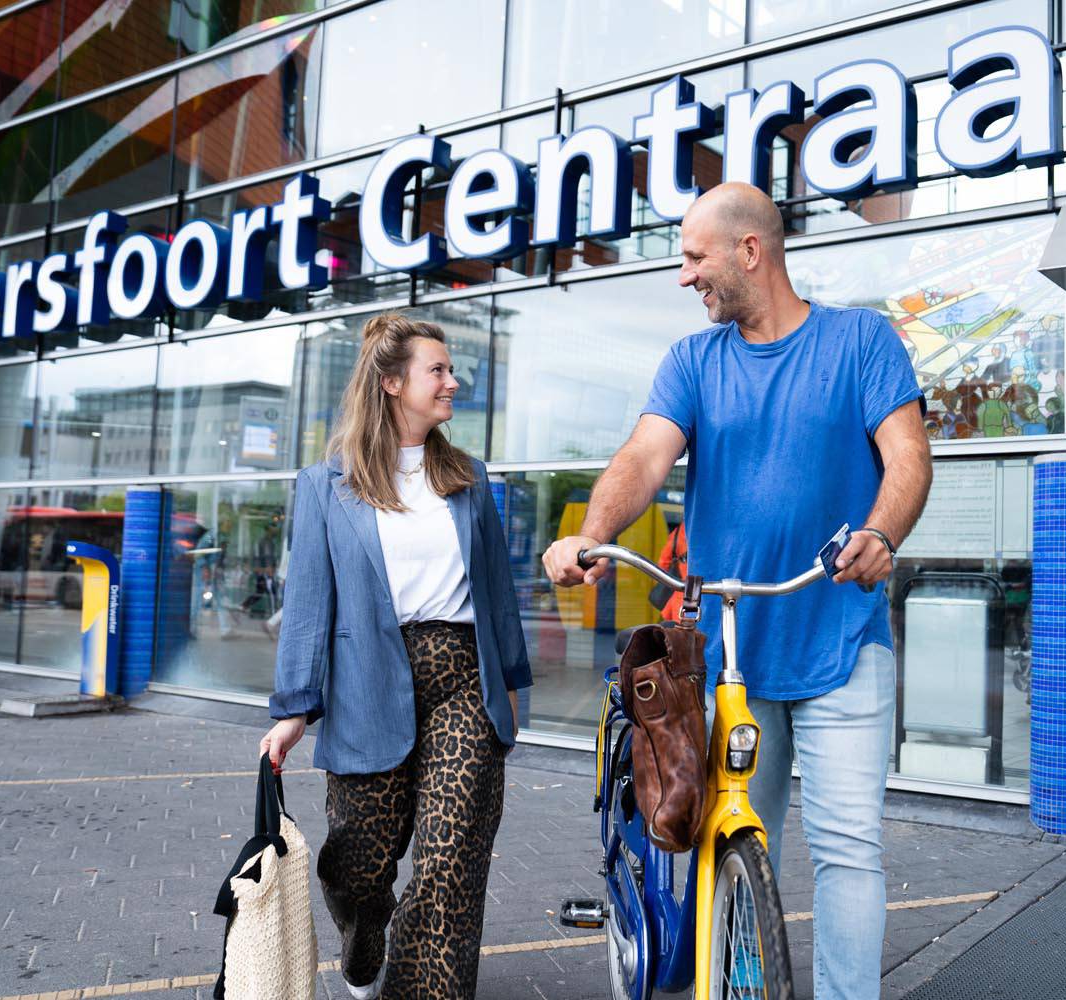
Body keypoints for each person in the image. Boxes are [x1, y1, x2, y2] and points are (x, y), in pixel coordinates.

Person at [543, 182, 932, 1000]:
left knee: (849, 850)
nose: (685, 277)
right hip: (730, 657)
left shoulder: (859, 341)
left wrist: (880, 533)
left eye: (693, 258)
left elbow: (907, 459)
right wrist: (593, 532)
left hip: (841, 641)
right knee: (733, 847)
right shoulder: (693, 361)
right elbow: (644, 457)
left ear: (748, 252)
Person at [260, 313, 532, 1000]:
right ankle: (363, 946)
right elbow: (311, 603)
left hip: (463, 679)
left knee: (448, 863)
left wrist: (512, 684)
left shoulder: (467, 476)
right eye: (437, 370)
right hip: (365, 682)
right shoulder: (326, 485)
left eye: (449, 369)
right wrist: (295, 708)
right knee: (357, 864)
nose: (452, 381)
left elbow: (497, 591)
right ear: (391, 383)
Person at [655, 520, 688, 622]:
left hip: (681, 596)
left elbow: (663, 565)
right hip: (713, 594)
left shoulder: (679, 532)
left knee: (680, 634)